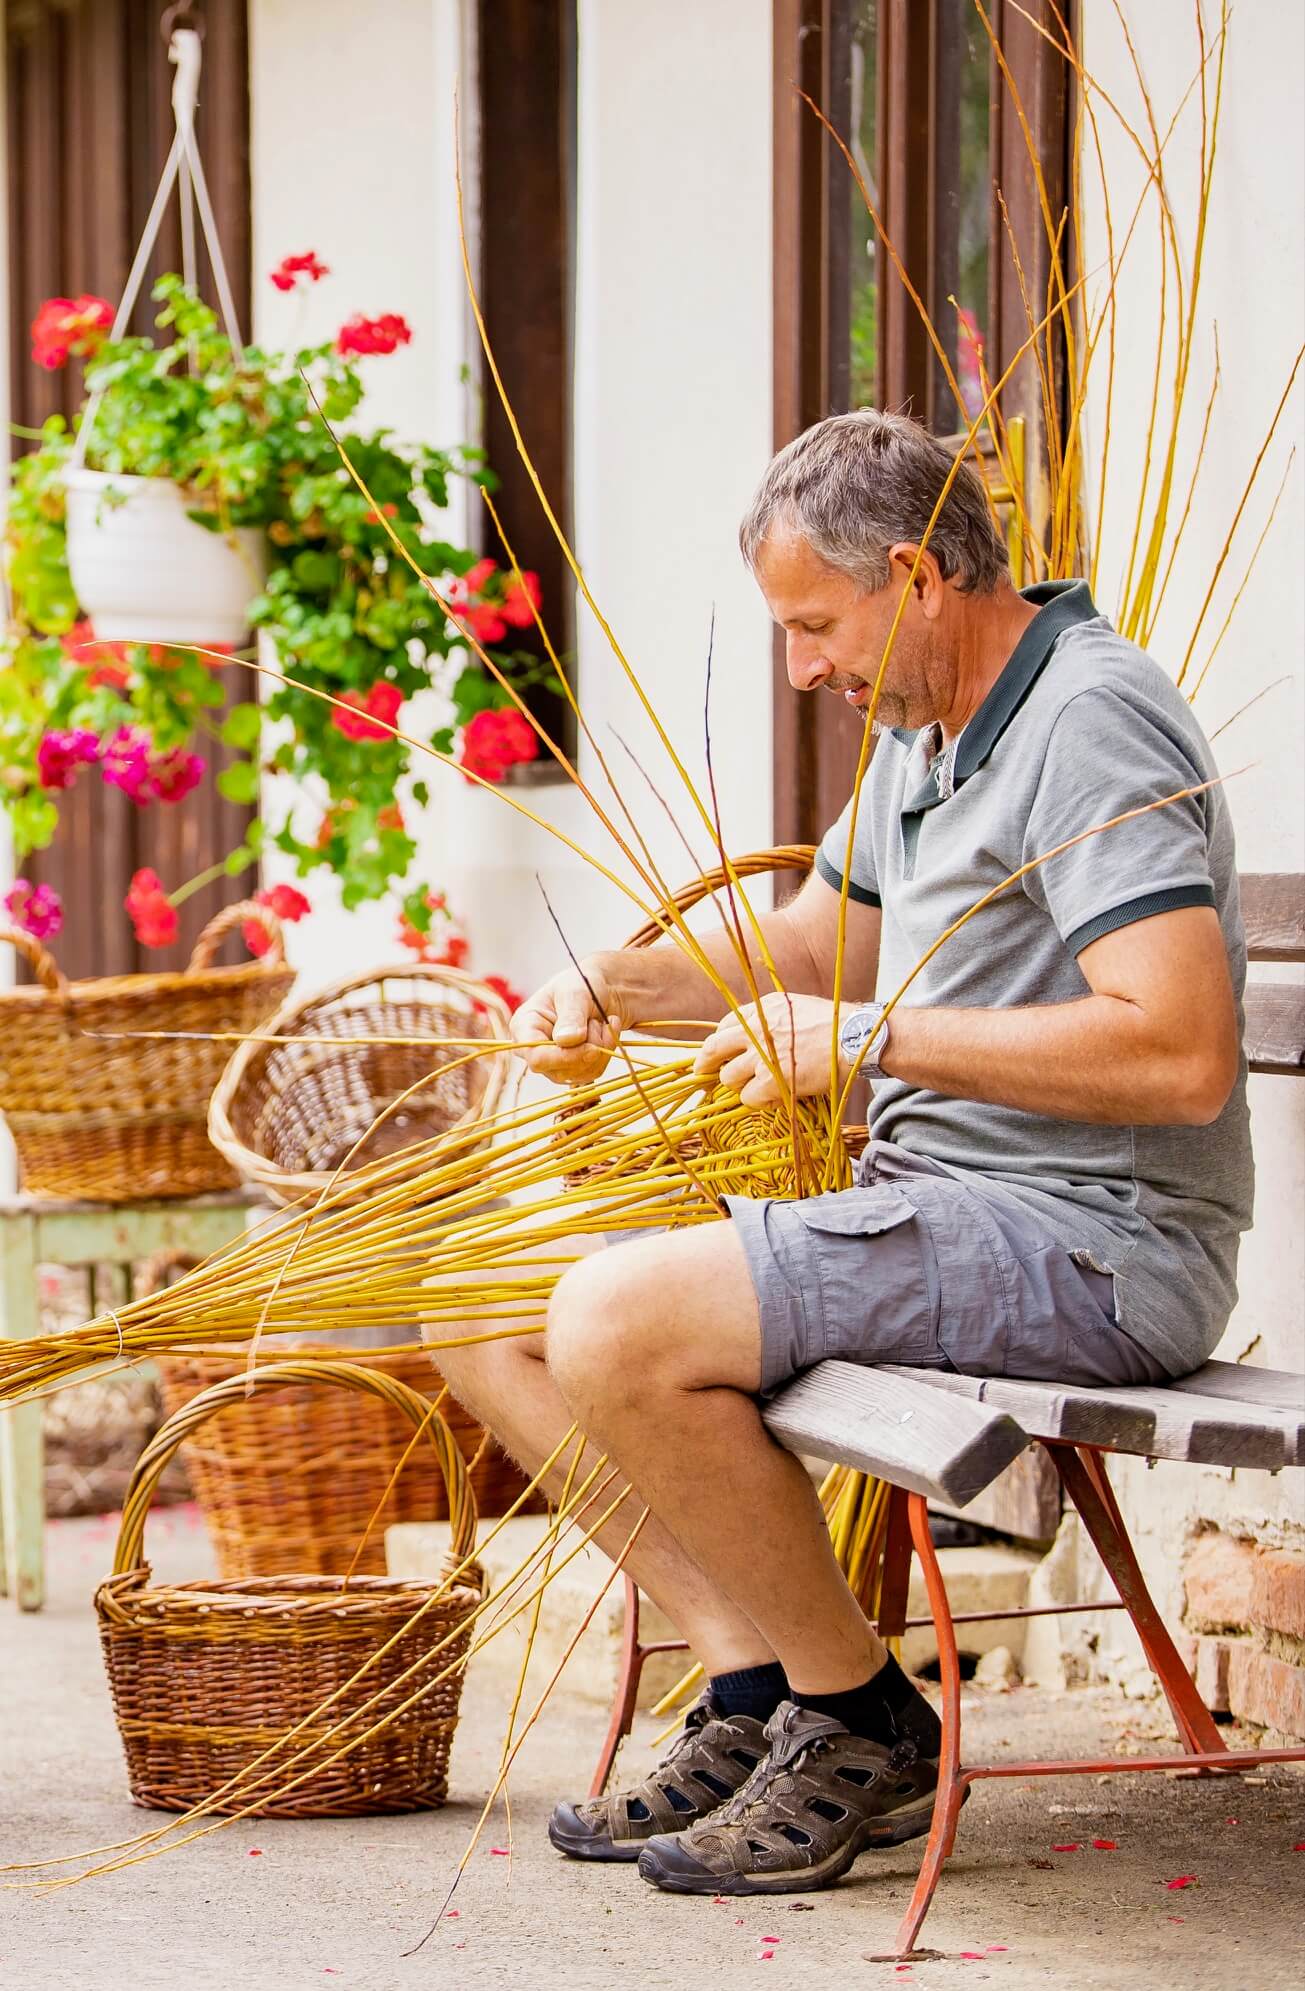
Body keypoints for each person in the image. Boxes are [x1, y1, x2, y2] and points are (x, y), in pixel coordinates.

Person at [430, 409, 1251, 1898]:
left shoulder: (1087, 718)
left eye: (816, 625)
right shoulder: (926, 735)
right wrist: (620, 981)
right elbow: (816, 945)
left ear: (916, 574)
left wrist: (877, 1042)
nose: (805, 668)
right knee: (478, 1308)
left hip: (1094, 1242)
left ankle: (861, 1716)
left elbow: (1180, 1052)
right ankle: (757, 1680)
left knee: (616, 1317)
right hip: (943, 1211)